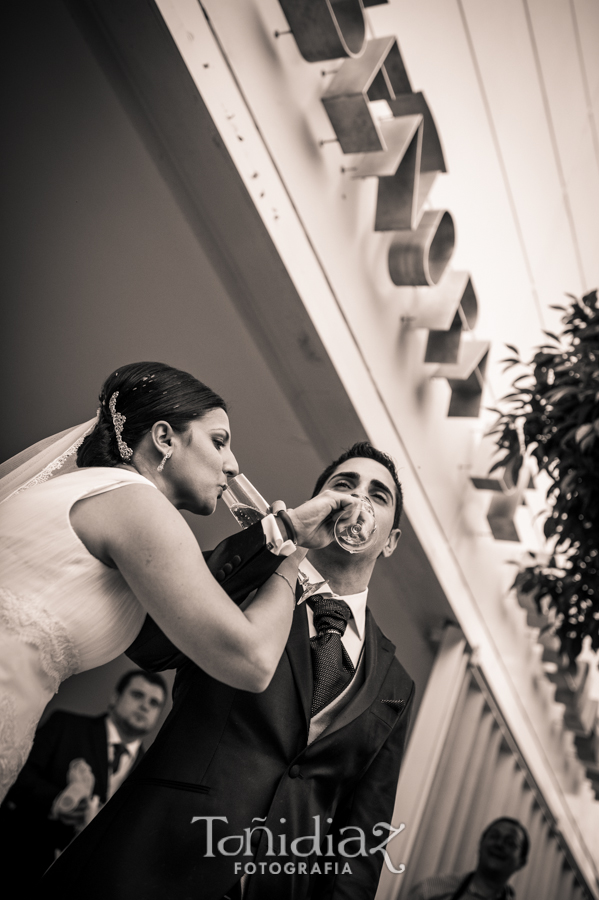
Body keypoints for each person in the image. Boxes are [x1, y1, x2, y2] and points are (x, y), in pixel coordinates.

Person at [41, 442, 415, 900]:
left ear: (391, 540)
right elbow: (151, 643)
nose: (357, 501)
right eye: (344, 485)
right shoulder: (252, 580)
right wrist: (275, 539)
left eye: (378, 496)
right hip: (149, 861)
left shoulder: (396, 684)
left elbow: (364, 833)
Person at [0, 361, 358, 802]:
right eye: (219, 441)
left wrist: (278, 534)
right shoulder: (138, 504)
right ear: (165, 438)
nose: (233, 464)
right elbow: (251, 661)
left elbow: (161, 641)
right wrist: (295, 548)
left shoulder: (89, 490)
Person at [0, 669, 166, 887]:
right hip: (22, 859)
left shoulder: (152, 771)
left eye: (154, 703)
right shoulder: (65, 725)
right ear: (115, 697)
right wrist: (57, 801)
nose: (145, 706)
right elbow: (16, 775)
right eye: (137, 695)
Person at [407, 817, 529, 900]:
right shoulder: (431, 890)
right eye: (494, 836)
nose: (499, 844)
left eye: (510, 843)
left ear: (521, 862)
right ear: (480, 844)